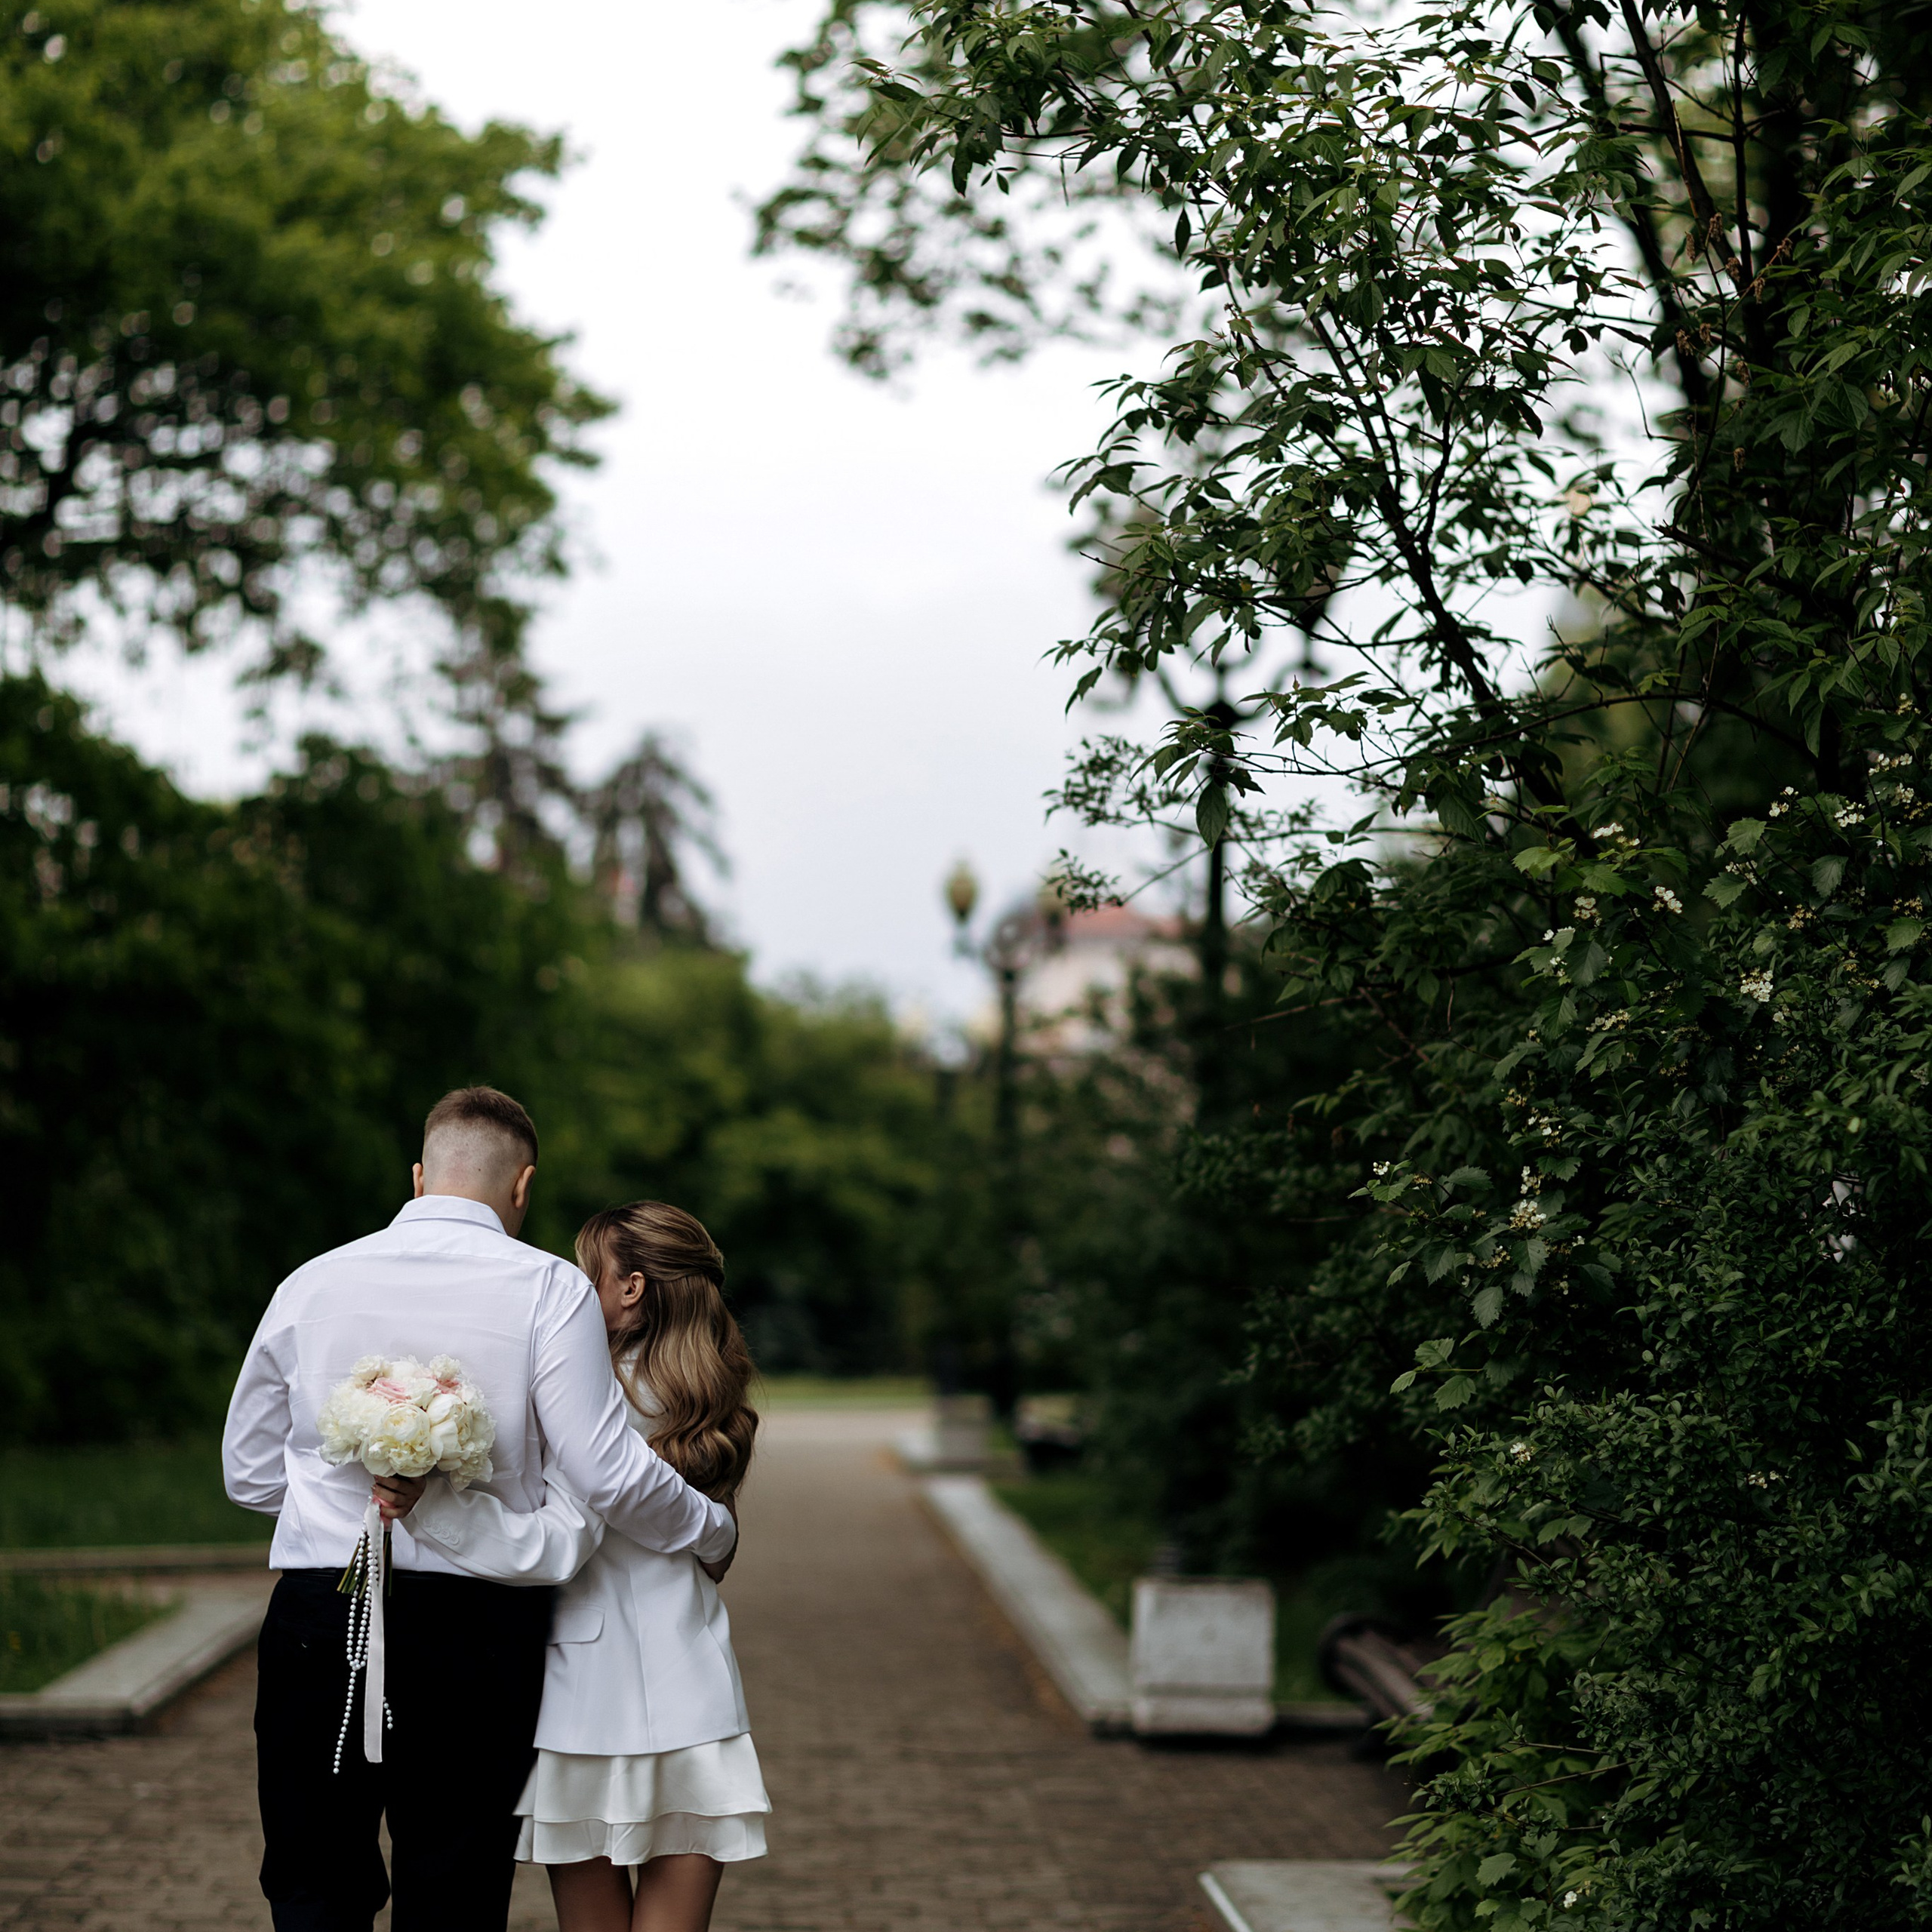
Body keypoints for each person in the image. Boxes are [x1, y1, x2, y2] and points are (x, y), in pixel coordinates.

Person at [221, 1088, 739, 1932]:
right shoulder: (549, 1288)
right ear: (522, 1187)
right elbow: (604, 1472)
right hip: (477, 1621)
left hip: (323, 1608)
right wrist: (710, 1528)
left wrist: (354, 1515)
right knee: (454, 1885)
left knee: (313, 1874)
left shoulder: (310, 1282)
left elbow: (247, 1471)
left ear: (420, 1176)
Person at [380, 1201, 768, 1932]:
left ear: (630, 1288)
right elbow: (695, 1529)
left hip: (584, 1699)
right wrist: (716, 1530)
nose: (567, 1292)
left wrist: (427, 1505)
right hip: (694, 1685)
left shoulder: (584, 1394)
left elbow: (551, 1545)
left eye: (583, 1275)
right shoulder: (707, 1393)